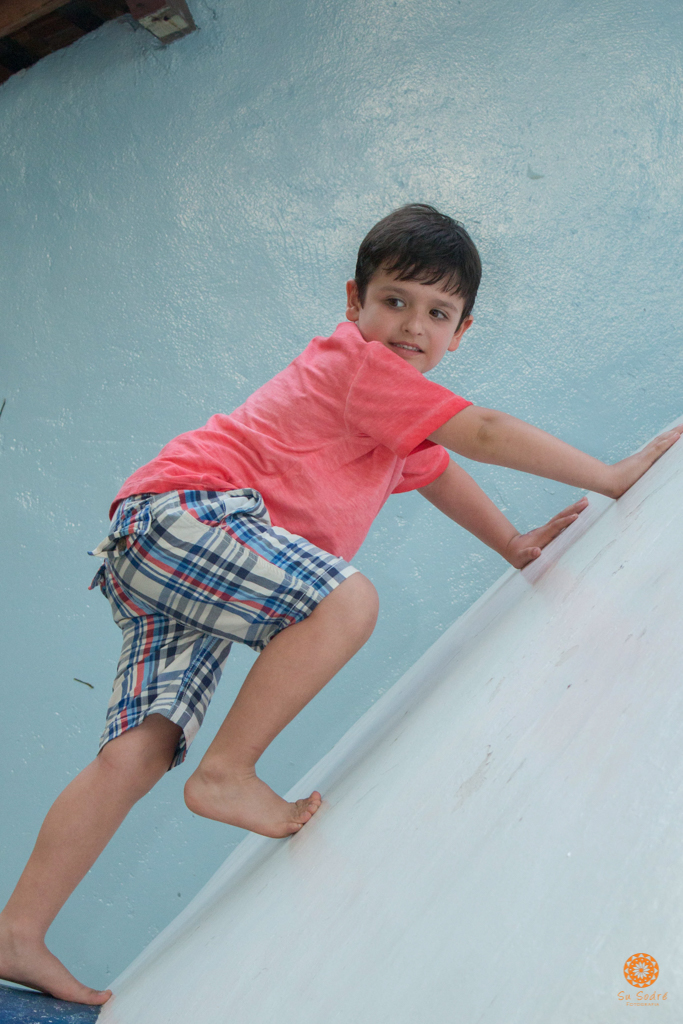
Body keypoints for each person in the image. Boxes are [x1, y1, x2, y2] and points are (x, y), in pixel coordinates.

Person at [0, 204, 678, 1006]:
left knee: (138, 751)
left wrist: (512, 545)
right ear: (353, 300)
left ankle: (16, 934)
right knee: (343, 602)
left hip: (162, 549)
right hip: (191, 515)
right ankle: (227, 773)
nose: (410, 326)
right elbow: (482, 433)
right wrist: (609, 475)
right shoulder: (356, 367)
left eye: (436, 313)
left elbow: (436, 472)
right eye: (393, 301)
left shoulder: (389, 419)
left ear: (461, 332)